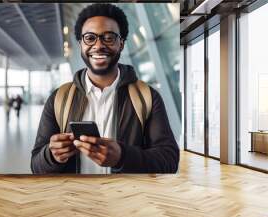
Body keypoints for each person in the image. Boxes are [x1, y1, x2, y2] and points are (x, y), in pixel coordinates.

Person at [31, 3, 179, 174]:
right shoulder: (60, 98)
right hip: (73, 199)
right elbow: (36, 166)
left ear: (121, 44)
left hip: (126, 198)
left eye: (108, 37)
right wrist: (52, 156)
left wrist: (122, 157)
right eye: (90, 38)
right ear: (80, 44)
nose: (98, 45)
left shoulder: (147, 97)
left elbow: (169, 161)